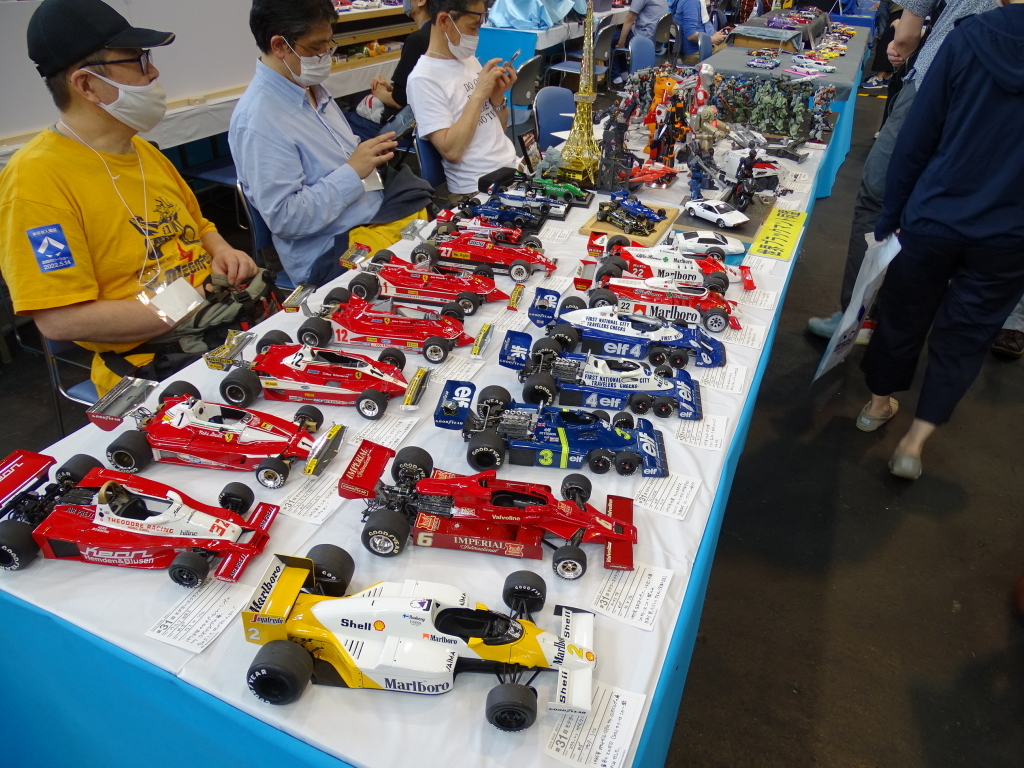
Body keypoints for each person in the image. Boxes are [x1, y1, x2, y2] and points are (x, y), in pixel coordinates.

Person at [0, 0, 258, 397]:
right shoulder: (35, 181)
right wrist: (185, 303)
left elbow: (198, 225)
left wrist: (223, 250)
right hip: (156, 366)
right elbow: (60, 320)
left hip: (222, 323)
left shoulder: (139, 150)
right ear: (86, 85)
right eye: (137, 61)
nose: (153, 72)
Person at [855, 0, 1024, 480]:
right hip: (1010, 233)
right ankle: (914, 444)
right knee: (967, 335)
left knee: (902, 314)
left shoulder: (968, 36)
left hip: (934, 213)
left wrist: (891, 212)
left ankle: (877, 404)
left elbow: (919, 134)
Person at [806, 0, 997, 342]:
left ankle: (856, 318)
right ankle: (893, 323)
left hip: (934, 84)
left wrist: (901, 46)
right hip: (991, 106)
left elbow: (906, 33)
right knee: (937, 209)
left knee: (877, 195)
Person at [230, 0, 427, 286]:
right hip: (334, 255)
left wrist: (369, 156)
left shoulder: (310, 88)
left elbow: (345, 159)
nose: (325, 55)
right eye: (315, 47)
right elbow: (286, 218)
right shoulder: (259, 120)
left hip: (377, 220)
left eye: (328, 43)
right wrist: (353, 171)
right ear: (279, 45)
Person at [406, 0, 519, 201]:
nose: (476, 36)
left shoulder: (469, 60)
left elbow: (499, 129)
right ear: (444, 21)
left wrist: (497, 98)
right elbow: (452, 151)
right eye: (472, 28)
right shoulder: (423, 79)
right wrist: (478, 95)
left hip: (511, 169)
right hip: (477, 189)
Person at [370, 0, 432, 123]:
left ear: (421, 1)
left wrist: (379, 92)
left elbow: (400, 101)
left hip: (420, 122)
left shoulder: (417, 41)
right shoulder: (440, 31)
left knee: (352, 118)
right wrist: (393, 89)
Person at [611, 0, 670, 85]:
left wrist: (621, 42)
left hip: (643, 37)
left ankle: (616, 80)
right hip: (657, 40)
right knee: (620, 36)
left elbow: (629, 18)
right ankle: (624, 75)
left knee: (609, 39)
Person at [673, 0, 728, 66]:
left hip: (705, 47)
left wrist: (715, 35)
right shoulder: (691, 2)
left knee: (733, 43)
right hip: (698, 53)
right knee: (734, 50)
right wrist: (713, 39)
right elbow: (691, 35)